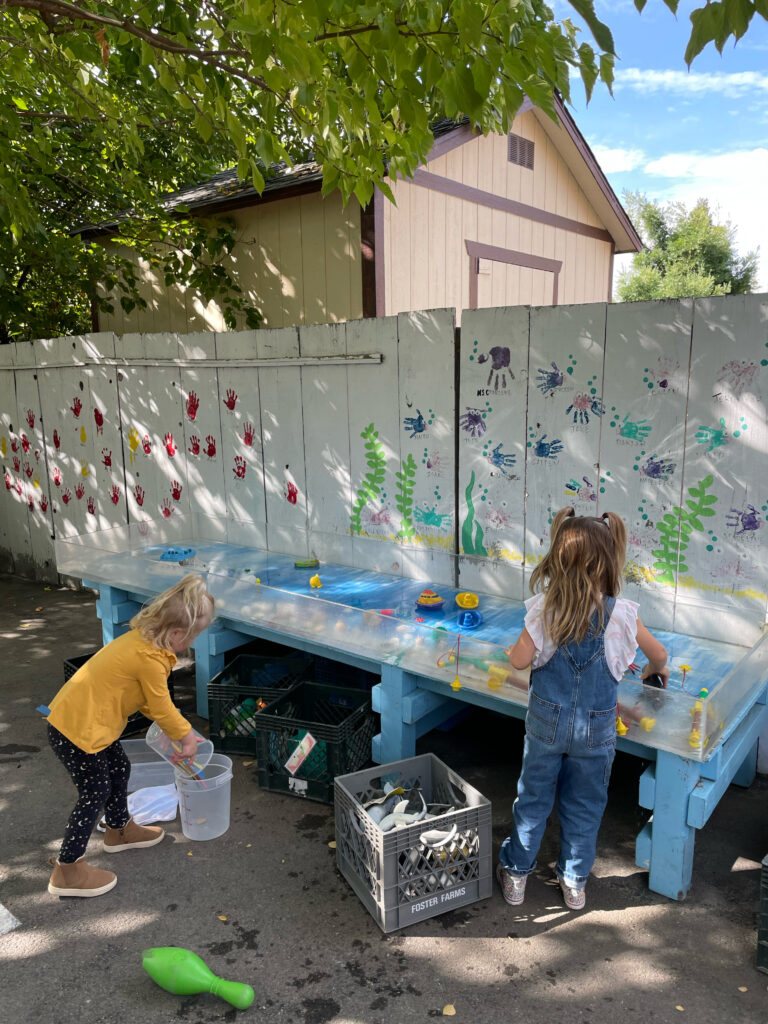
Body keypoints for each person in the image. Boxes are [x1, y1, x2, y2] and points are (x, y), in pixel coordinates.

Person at [498, 508, 668, 911]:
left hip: (546, 724)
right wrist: (652, 669)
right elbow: (659, 655)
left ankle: (518, 873)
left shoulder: (543, 609)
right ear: (608, 561)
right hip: (596, 729)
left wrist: (514, 651)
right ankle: (574, 882)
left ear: (559, 557)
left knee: (534, 798)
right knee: (586, 803)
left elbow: (520, 662)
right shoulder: (624, 614)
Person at [46, 574, 214, 898]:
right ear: (177, 633)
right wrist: (187, 738)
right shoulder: (150, 659)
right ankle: (67, 869)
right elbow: (162, 705)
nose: (191, 644)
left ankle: (119, 830)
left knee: (120, 768)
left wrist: (179, 732)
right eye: (192, 637)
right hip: (76, 730)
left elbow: (152, 703)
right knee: (95, 790)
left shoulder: (144, 642)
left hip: (89, 725)